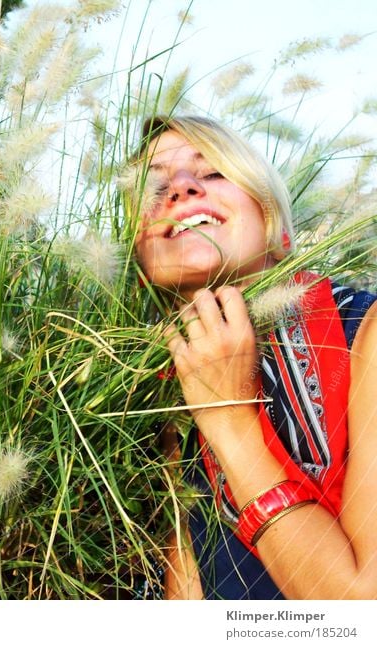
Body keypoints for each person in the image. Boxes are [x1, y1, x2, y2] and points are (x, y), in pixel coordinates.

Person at [126, 115, 377, 599]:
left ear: (278, 229)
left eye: (214, 171)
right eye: (152, 186)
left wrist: (228, 418)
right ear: (138, 264)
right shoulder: (147, 396)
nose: (179, 188)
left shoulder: (365, 334)